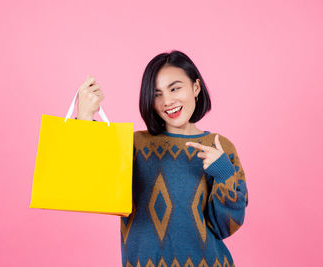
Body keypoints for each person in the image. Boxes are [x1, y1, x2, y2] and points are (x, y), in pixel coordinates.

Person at [75, 50, 249, 267]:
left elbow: (226, 227)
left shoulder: (220, 147)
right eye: (157, 94)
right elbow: (90, 182)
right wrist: (84, 116)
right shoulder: (133, 145)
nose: (167, 100)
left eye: (175, 88)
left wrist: (223, 174)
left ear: (196, 88)